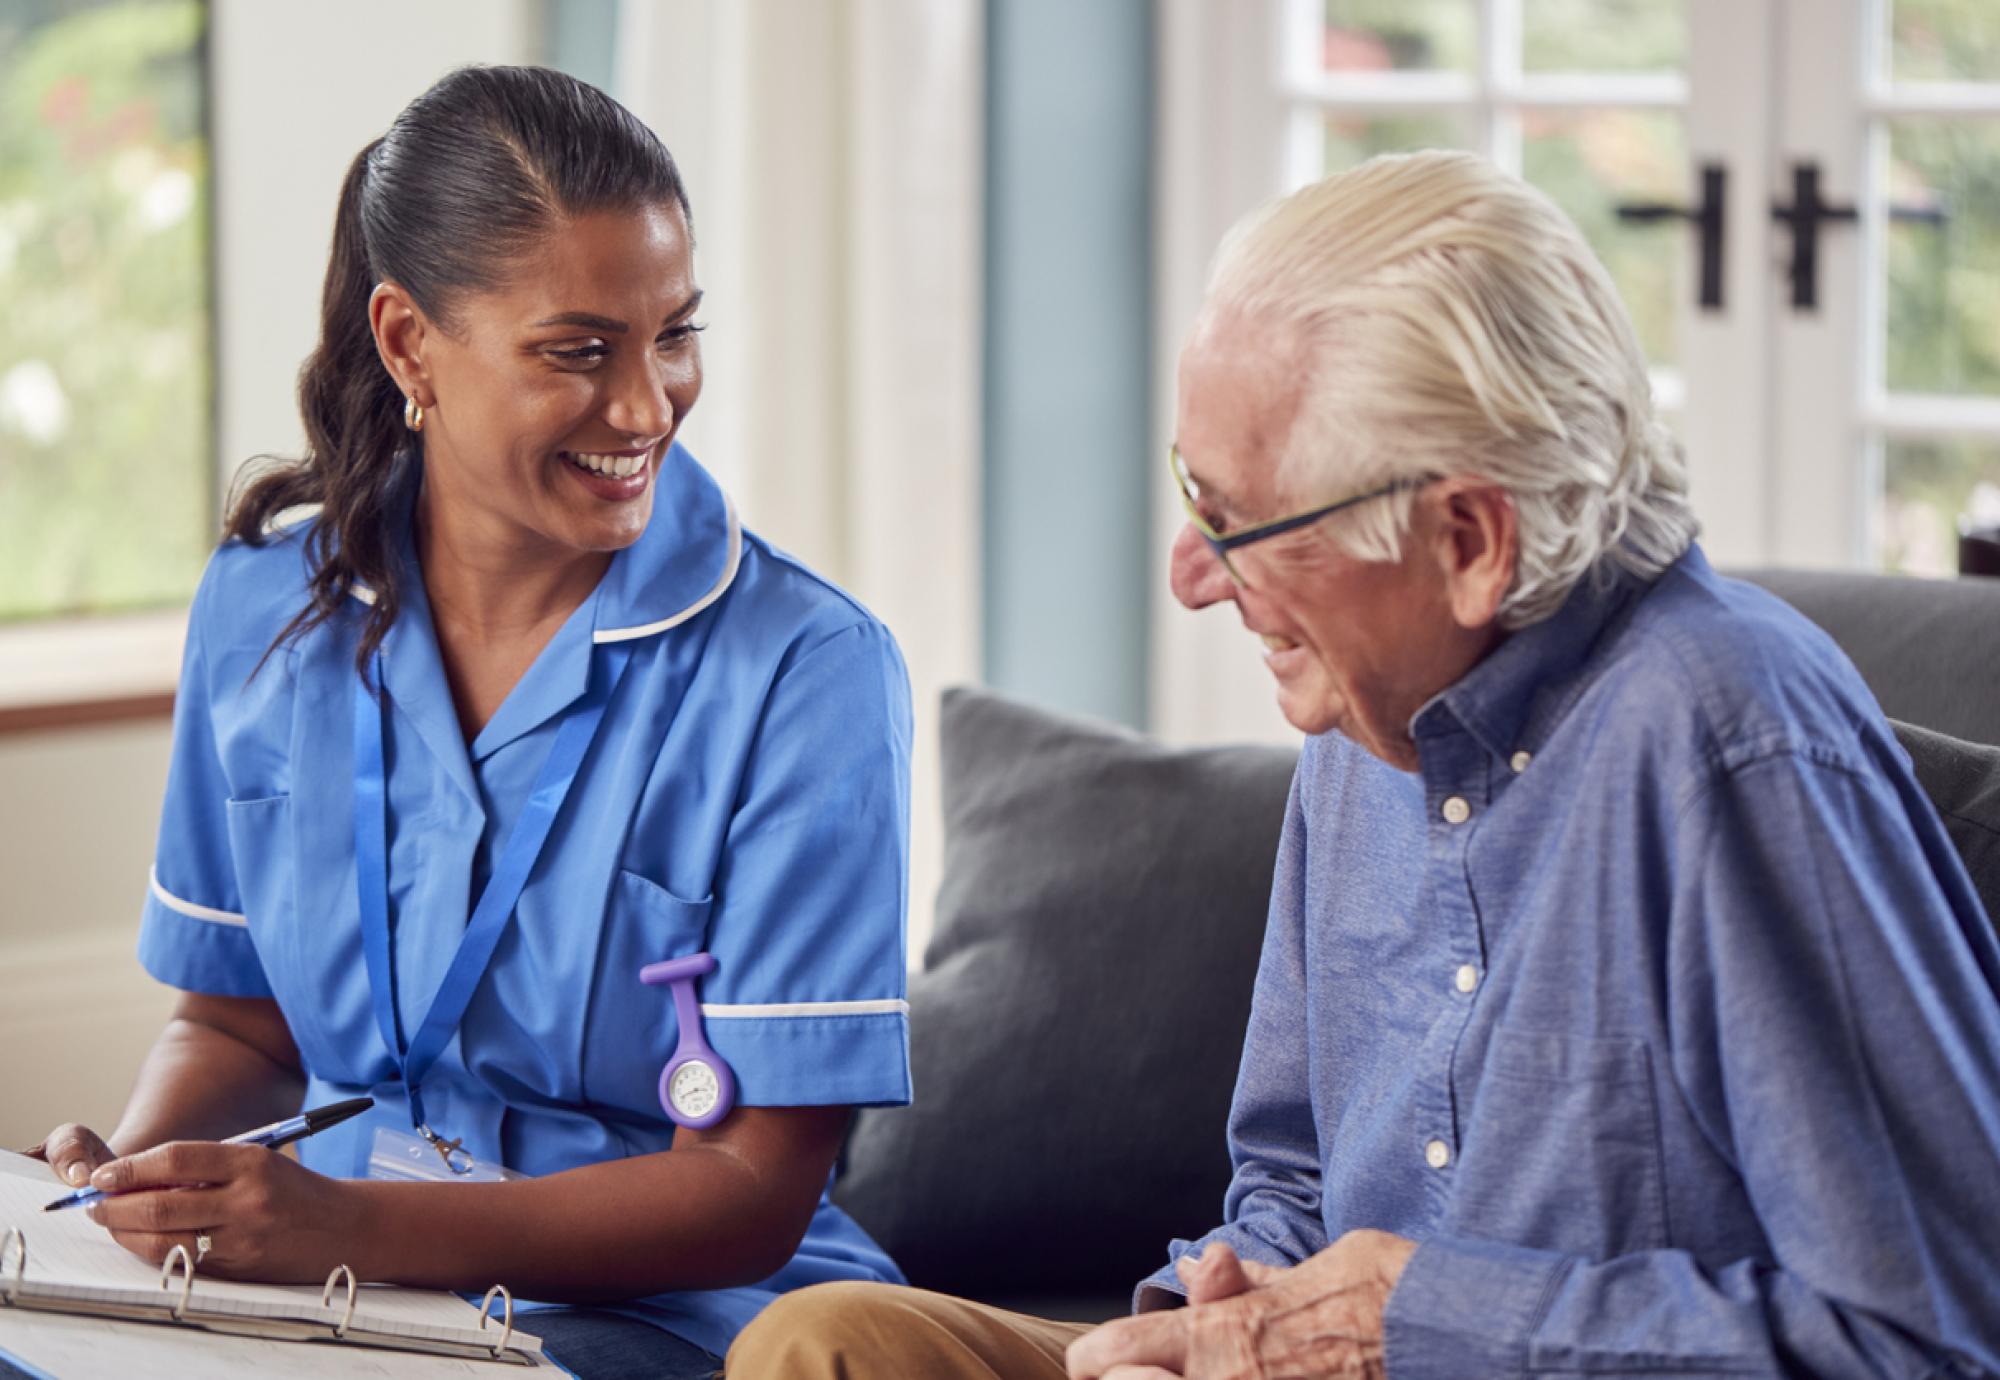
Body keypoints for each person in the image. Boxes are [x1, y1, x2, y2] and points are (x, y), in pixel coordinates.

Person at [727, 151, 2000, 1378]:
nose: (1187, 575)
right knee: (829, 1343)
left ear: (1465, 541)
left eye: (1239, 522)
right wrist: (1206, 1320)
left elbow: (1934, 1336)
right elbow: (1286, 1178)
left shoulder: (1728, 744)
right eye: (1192, 491)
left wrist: (1425, 1328)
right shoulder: (1366, 711)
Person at [23, 65, 914, 1379]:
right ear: (408, 345)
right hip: (328, 1303)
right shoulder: (264, 613)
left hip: (663, 1319)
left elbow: (749, 1187)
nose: (647, 406)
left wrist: (352, 1228)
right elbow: (238, 1024)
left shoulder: (808, 670)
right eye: (578, 351)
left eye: (674, 334)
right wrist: (154, 1195)